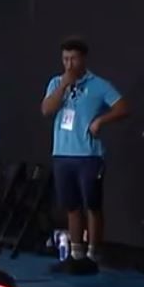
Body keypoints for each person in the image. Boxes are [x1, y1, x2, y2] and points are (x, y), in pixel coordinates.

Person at [40, 37, 128, 274]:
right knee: (71, 206)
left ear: (83, 59)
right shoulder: (56, 83)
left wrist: (101, 120)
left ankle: (93, 254)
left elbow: (122, 107)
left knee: (92, 205)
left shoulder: (99, 85)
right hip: (62, 153)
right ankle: (76, 254)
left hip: (88, 155)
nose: (69, 64)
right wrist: (62, 87)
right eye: (65, 59)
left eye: (73, 59)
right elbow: (47, 110)